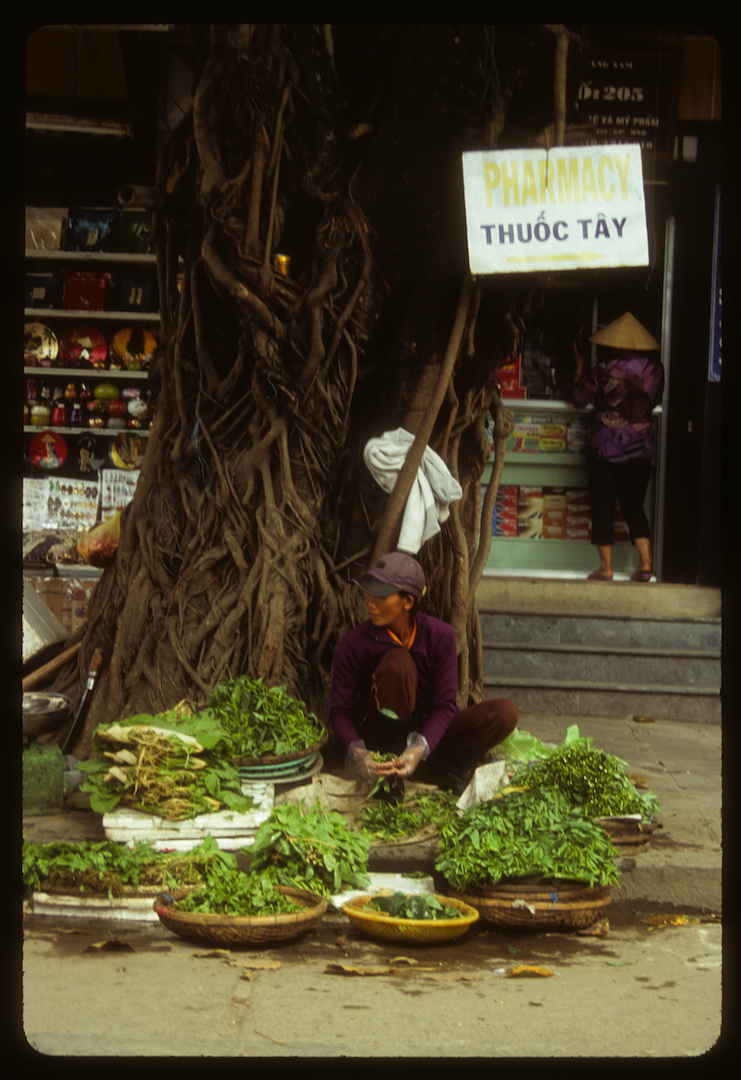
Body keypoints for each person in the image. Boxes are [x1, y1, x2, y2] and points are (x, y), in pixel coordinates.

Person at [329, 551, 518, 794]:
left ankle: (428, 768)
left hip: (426, 739)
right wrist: (359, 753)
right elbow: (340, 712)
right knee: (399, 663)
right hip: (380, 740)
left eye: (380, 596)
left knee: (505, 712)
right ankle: (390, 773)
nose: (369, 602)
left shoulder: (441, 636)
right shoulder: (354, 642)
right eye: (368, 593)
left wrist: (419, 748)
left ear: (407, 602)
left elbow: (445, 706)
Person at [570, 312, 665, 582]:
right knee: (634, 506)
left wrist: (578, 368)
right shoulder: (656, 369)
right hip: (640, 450)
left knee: (603, 506)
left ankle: (606, 568)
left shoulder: (603, 368)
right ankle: (645, 564)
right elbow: (655, 399)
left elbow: (578, 399)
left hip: (605, 451)